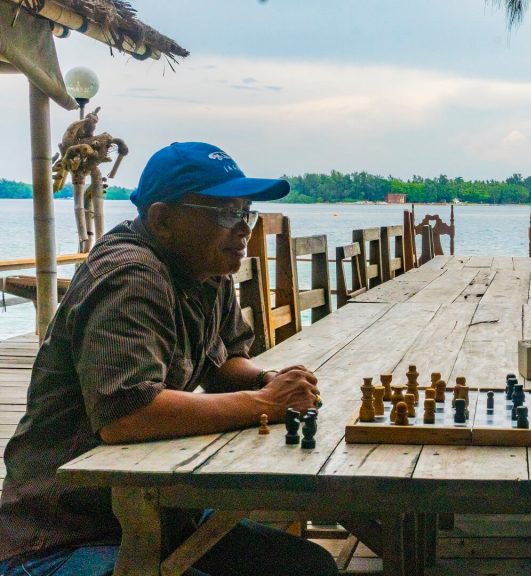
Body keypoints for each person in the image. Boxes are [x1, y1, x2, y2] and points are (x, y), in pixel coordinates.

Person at [0, 142, 337, 576]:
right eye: (224, 213)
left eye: (245, 211)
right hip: (61, 533)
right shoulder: (130, 276)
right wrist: (267, 403)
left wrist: (267, 380)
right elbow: (128, 414)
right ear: (162, 219)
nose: (243, 229)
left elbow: (222, 366)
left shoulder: (206, 268)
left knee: (307, 567)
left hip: (159, 509)